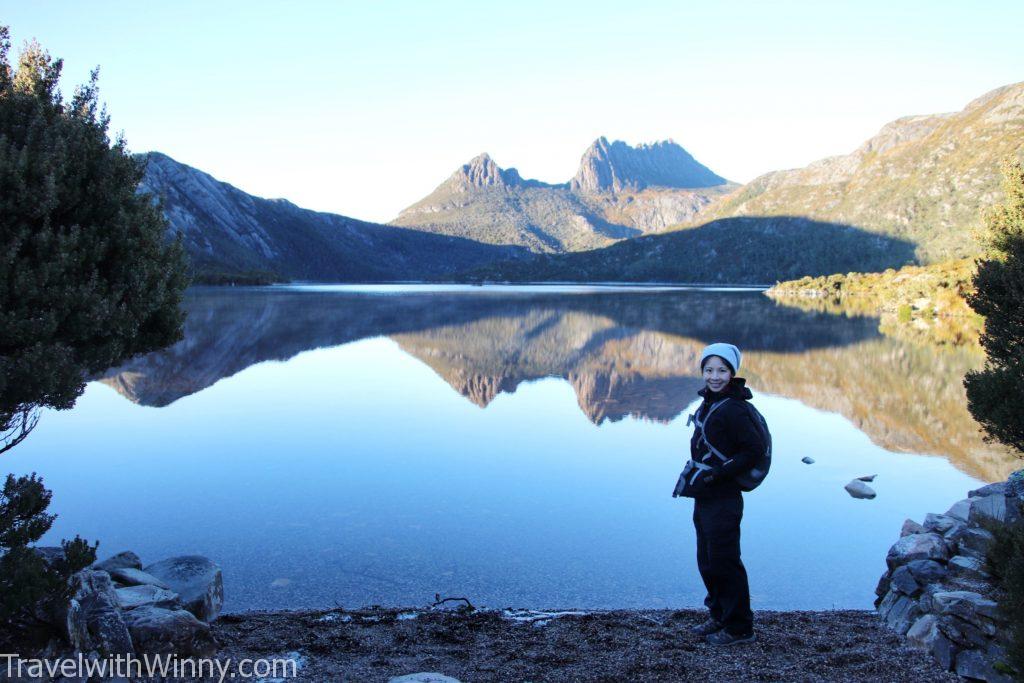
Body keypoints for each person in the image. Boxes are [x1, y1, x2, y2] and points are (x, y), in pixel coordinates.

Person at [687, 342, 759, 646]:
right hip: (706, 492)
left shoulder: (735, 408)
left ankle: (740, 627)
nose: (714, 376)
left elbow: (753, 450)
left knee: (725, 560)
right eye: (709, 370)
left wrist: (721, 472)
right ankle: (719, 615)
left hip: (724, 495)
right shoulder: (712, 401)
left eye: (722, 370)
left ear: (733, 372)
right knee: (707, 558)